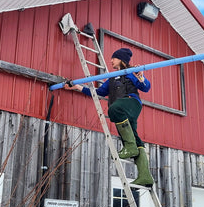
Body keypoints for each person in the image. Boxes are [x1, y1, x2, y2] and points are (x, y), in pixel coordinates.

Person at [65, 47, 154, 187]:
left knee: (114, 108)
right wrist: (77, 87)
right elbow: (99, 92)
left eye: (114, 58)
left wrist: (140, 76)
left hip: (131, 103)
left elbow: (146, 87)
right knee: (135, 138)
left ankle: (130, 147)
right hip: (122, 112)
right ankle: (145, 176)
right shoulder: (111, 79)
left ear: (121, 60)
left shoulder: (131, 72)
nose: (111, 60)